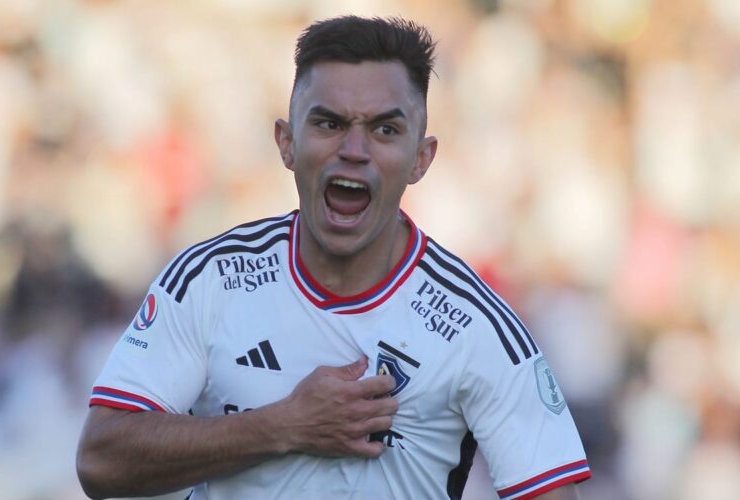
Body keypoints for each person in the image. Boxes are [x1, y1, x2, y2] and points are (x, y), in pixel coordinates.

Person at [76, 16, 590, 500]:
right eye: (328, 124)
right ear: (287, 143)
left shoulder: (475, 325)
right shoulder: (211, 279)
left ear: (421, 158)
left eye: (385, 130)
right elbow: (101, 460)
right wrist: (282, 426)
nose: (354, 150)